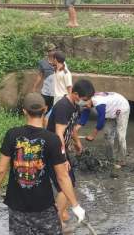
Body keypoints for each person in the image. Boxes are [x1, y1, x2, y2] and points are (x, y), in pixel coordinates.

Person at [0, 93, 86, 234]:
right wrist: (75, 205)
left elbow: (1, 169)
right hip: (43, 206)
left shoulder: (12, 134)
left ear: (24, 111)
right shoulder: (52, 139)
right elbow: (62, 176)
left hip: (16, 207)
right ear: (45, 110)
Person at [47, 79, 95, 222]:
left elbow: (72, 127)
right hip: (53, 149)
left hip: (61, 148)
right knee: (65, 185)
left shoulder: (75, 106)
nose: (86, 102)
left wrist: (77, 143)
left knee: (69, 182)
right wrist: (62, 159)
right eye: (85, 99)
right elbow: (59, 133)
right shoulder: (63, 107)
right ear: (75, 94)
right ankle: (57, 218)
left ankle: (61, 212)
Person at [77, 91, 131, 168]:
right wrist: (77, 127)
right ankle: (110, 159)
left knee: (120, 135)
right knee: (107, 135)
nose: (86, 107)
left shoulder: (98, 103)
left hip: (122, 107)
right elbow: (85, 113)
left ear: (88, 100)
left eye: (86, 105)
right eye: (84, 106)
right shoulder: (87, 99)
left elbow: (101, 121)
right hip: (110, 109)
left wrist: (93, 135)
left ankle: (122, 160)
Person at [32, 43, 58, 110]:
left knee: (54, 110)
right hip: (46, 91)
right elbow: (40, 75)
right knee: (44, 109)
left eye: (54, 50)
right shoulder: (42, 62)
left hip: (57, 92)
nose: (53, 52)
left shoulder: (59, 60)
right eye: (52, 50)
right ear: (48, 52)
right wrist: (34, 87)